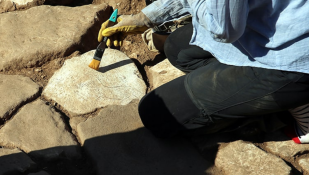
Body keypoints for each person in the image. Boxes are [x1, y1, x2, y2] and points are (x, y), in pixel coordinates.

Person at [98, 0, 309, 144]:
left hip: (292, 58)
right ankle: (268, 94)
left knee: (156, 114)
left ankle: (292, 106)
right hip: (267, 25)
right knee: (178, 49)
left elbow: (224, 28)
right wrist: (146, 18)